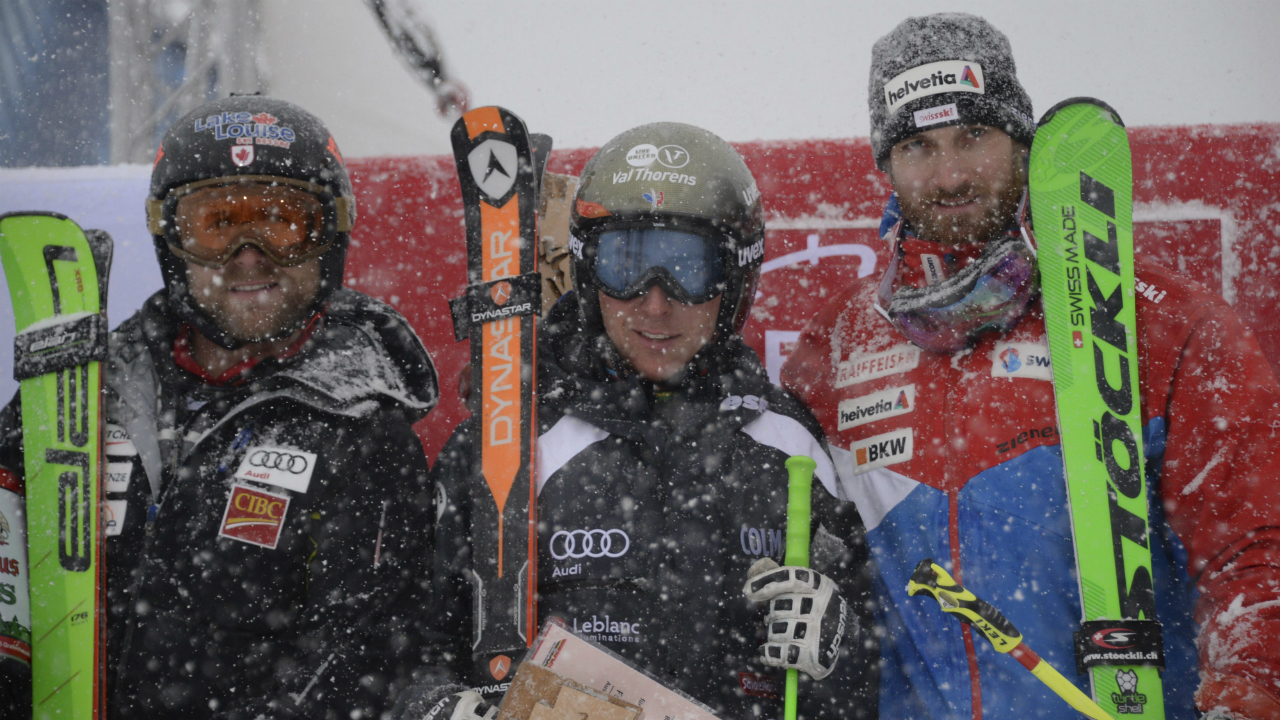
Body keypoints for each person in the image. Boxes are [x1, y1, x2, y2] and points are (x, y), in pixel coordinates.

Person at [780, 13, 1280, 720]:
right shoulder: (836, 346)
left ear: (1023, 142)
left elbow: (1255, 547)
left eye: (974, 136)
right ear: (885, 165)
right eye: (919, 145)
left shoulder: (1161, 323)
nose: (950, 174)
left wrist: (1250, 693)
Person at [404, 123, 876, 720]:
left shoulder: (788, 445)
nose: (655, 303)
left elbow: (874, 679)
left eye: (689, 267)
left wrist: (846, 650)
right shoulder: (508, 437)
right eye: (624, 265)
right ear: (586, 269)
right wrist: (434, 706)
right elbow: (404, 647)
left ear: (735, 278)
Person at [0, 95, 441, 719]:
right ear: (170, 239)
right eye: (216, 223)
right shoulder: (76, 390)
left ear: (330, 235)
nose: (249, 254)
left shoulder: (361, 432)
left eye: (283, 222)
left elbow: (360, 666)